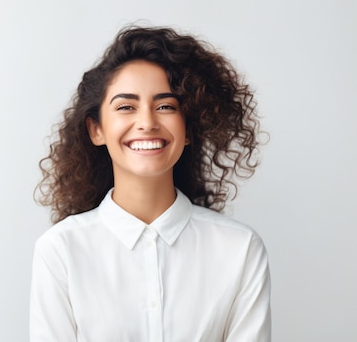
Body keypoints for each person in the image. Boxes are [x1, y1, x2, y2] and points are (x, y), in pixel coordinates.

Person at [30, 26, 271, 341]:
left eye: (166, 106)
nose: (147, 122)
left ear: (188, 130)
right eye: (126, 107)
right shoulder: (60, 250)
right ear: (96, 130)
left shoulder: (239, 250)